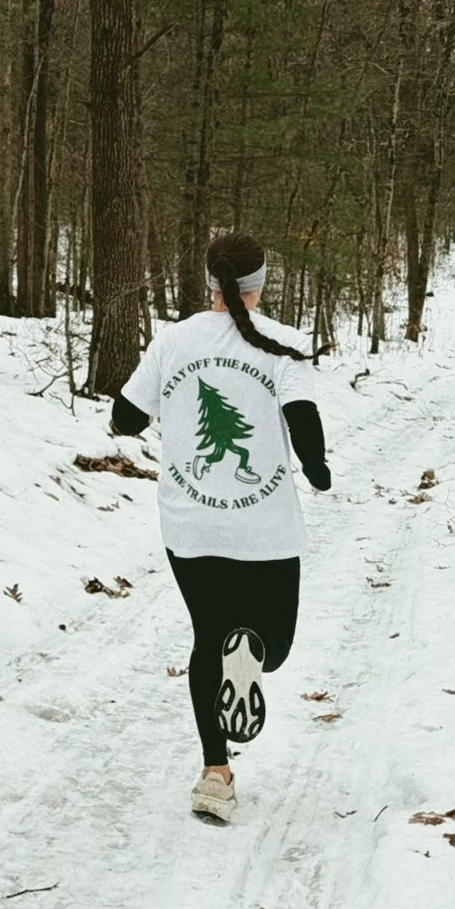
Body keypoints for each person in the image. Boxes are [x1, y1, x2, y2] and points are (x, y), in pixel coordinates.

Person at [110, 232, 331, 823]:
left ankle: (215, 774)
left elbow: (126, 419)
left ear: (208, 281)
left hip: (190, 528)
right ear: (261, 286)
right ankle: (252, 653)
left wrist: (143, 414)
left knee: (208, 638)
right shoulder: (285, 344)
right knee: (274, 646)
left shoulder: (174, 339)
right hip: (265, 530)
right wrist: (316, 467)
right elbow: (301, 417)